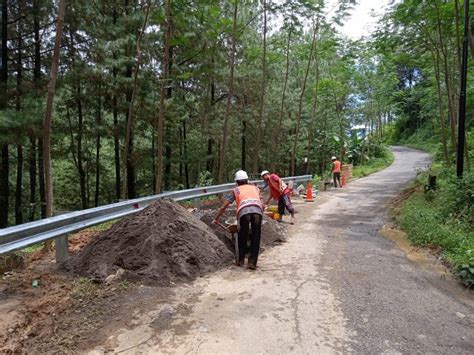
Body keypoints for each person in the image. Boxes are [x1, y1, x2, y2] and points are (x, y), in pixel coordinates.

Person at [213, 170, 263, 270]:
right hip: (257, 211)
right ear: (247, 180)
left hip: (244, 212)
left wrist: (216, 219)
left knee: (242, 236)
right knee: (256, 237)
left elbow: (223, 207)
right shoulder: (256, 188)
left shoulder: (236, 190)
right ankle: (252, 263)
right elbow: (262, 203)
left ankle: (240, 261)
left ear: (236, 182)